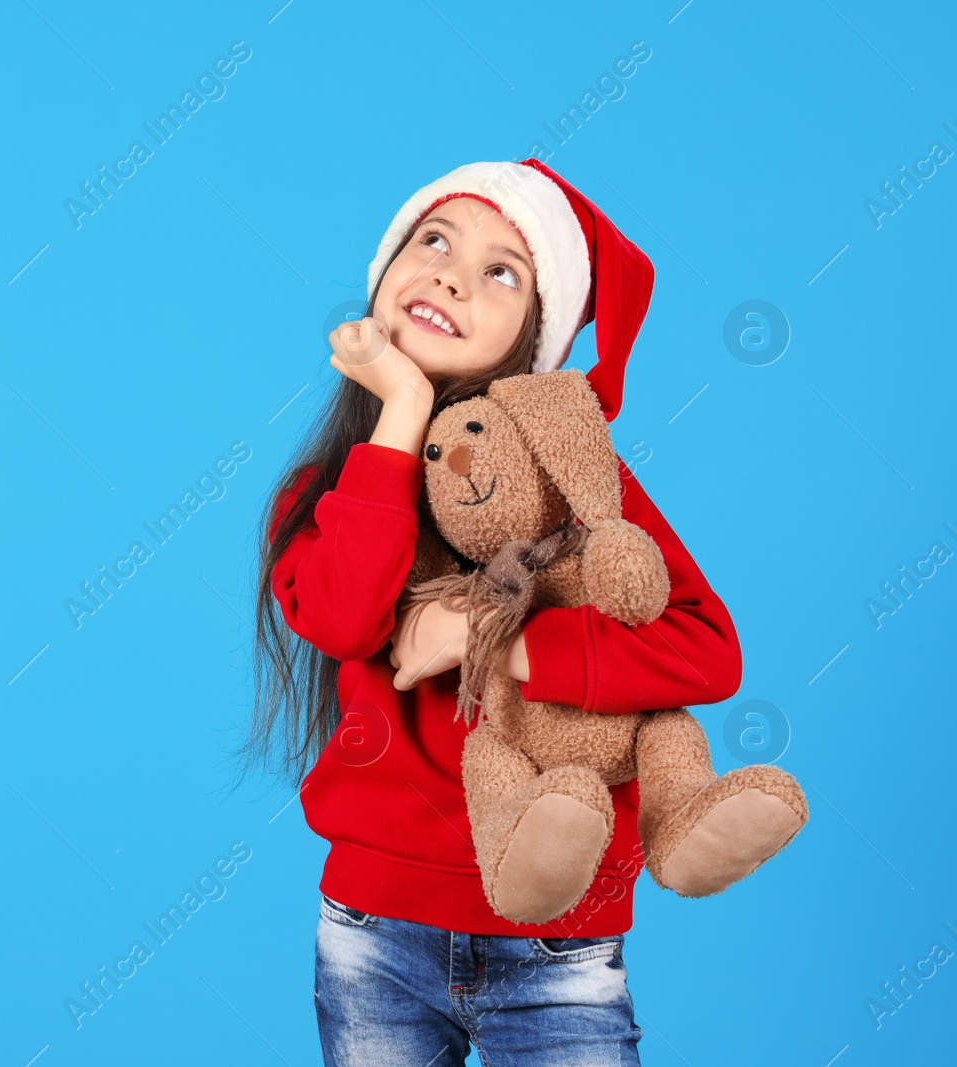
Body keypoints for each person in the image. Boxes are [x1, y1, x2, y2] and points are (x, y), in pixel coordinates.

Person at [241, 159, 743, 1064]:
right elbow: (348, 619)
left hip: (558, 941)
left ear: (535, 338)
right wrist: (402, 408)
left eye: (501, 270)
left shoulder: (578, 489)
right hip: (374, 932)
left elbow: (707, 651)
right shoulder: (318, 500)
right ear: (387, 268)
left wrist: (490, 638)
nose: (451, 273)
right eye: (433, 240)